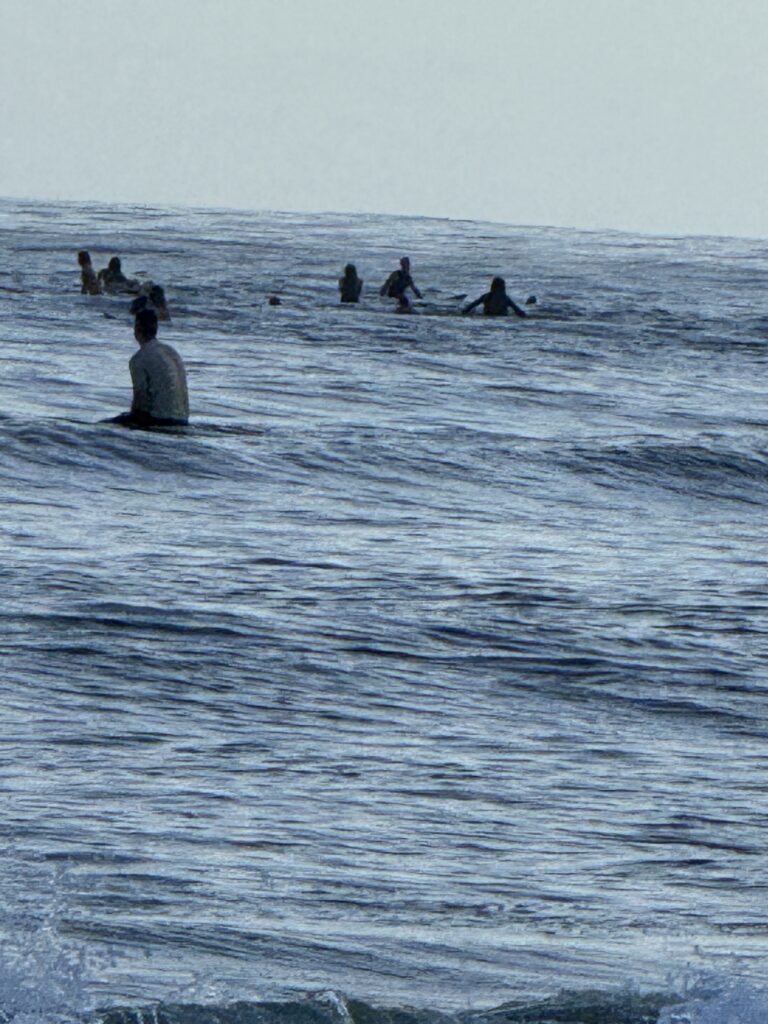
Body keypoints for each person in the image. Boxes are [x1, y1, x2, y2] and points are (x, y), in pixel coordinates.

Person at [109, 308, 189, 427]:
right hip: (182, 420)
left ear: (137, 328)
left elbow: (140, 402)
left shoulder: (139, 359)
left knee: (105, 427)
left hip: (160, 420)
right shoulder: (172, 352)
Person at [462, 277, 527, 317]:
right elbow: (518, 311)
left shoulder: (486, 296)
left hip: (487, 316)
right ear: (503, 287)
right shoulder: (505, 298)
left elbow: (469, 307)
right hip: (502, 317)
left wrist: (464, 312)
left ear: (492, 286)